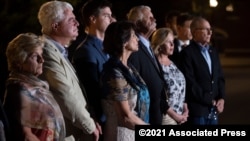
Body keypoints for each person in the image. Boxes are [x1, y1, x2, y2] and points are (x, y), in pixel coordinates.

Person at [37, 1, 100, 140]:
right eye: (71, 20)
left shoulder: (58, 51)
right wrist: (89, 125)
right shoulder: (45, 52)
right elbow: (64, 93)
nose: (77, 23)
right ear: (55, 25)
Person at [3, 33, 74, 141]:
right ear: (19, 61)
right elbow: (26, 135)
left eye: (41, 55)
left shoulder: (34, 86)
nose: (42, 60)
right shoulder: (19, 91)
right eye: (35, 56)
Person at [100, 21, 150, 141]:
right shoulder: (114, 72)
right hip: (122, 135)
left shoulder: (129, 68)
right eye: (133, 36)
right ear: (124, 41)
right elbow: (125, 117)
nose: (137, 39)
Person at [72, 0, 113, 133]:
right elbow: (91, 90)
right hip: (102, 121)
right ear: (93, 19)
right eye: (106, 15)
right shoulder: (85, 50)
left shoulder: (109, 47)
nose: (111, 19)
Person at [127, 5, 170, 125]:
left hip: (156, 112)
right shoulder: (134, 48)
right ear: (137, 23)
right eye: (149, 18)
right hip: (145, 116)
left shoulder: (148, 45)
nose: (154, 20)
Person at [179, 17, 225, 125]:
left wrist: (221, 98)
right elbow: (189, 82)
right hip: (198, 111)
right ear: (194, 32)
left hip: (213, 109)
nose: (210, 32)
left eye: (210, 29)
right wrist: (209, 99)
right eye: (206, 29)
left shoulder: (213, 51)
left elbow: (220, 77)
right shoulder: (187, 53)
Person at [151, 28, 188, 125]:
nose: (172, 45)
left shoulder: (173, 62)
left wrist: (185, 108)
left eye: (173, 42)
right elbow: (157, 95)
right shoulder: (155, 65)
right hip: (167, 116)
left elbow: (180, 88)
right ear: (159, 44)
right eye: (168, 42)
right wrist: (174, 115)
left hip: (180, 115)